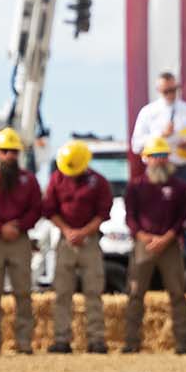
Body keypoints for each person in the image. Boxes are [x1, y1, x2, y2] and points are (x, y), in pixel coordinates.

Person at [0, 128, 41, 355]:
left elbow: (36, 209)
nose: (9, 156)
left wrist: (18, 226)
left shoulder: (29, 180)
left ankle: (24, 341)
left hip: (20, 239)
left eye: (13, 151)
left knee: (23, 291)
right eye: (4, 151)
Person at [124, 136, 186, 354]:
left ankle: (182, 343)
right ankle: (131, 342)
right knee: (135, 293)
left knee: (177, 293)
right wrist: (143, 236)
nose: (159, 160)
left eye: (162, 156)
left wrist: (167, 238)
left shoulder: (179, 187)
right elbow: (130, 217)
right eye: (155, 156)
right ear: (146, 159)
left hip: (170, 245)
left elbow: (183, 217)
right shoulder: (136, 186)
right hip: (144, 244)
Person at [45, 139, 113, 354]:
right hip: (65, 241)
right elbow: (49, 209)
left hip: (89, 241)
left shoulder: (98, 181)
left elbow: (103, 213)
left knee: (93, 292)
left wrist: (83, 233)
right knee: (62, 292)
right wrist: (67, 231)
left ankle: (96, 340)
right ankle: (61, 339)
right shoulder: (57, 178)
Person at [130, 70, 186, 188]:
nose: (170, 94)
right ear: (158, 90)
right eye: (166, 91)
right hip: (155, 168)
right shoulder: (148, 112)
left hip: (180, 168)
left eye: (173, 90)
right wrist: (161, 135)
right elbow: (136, 145)